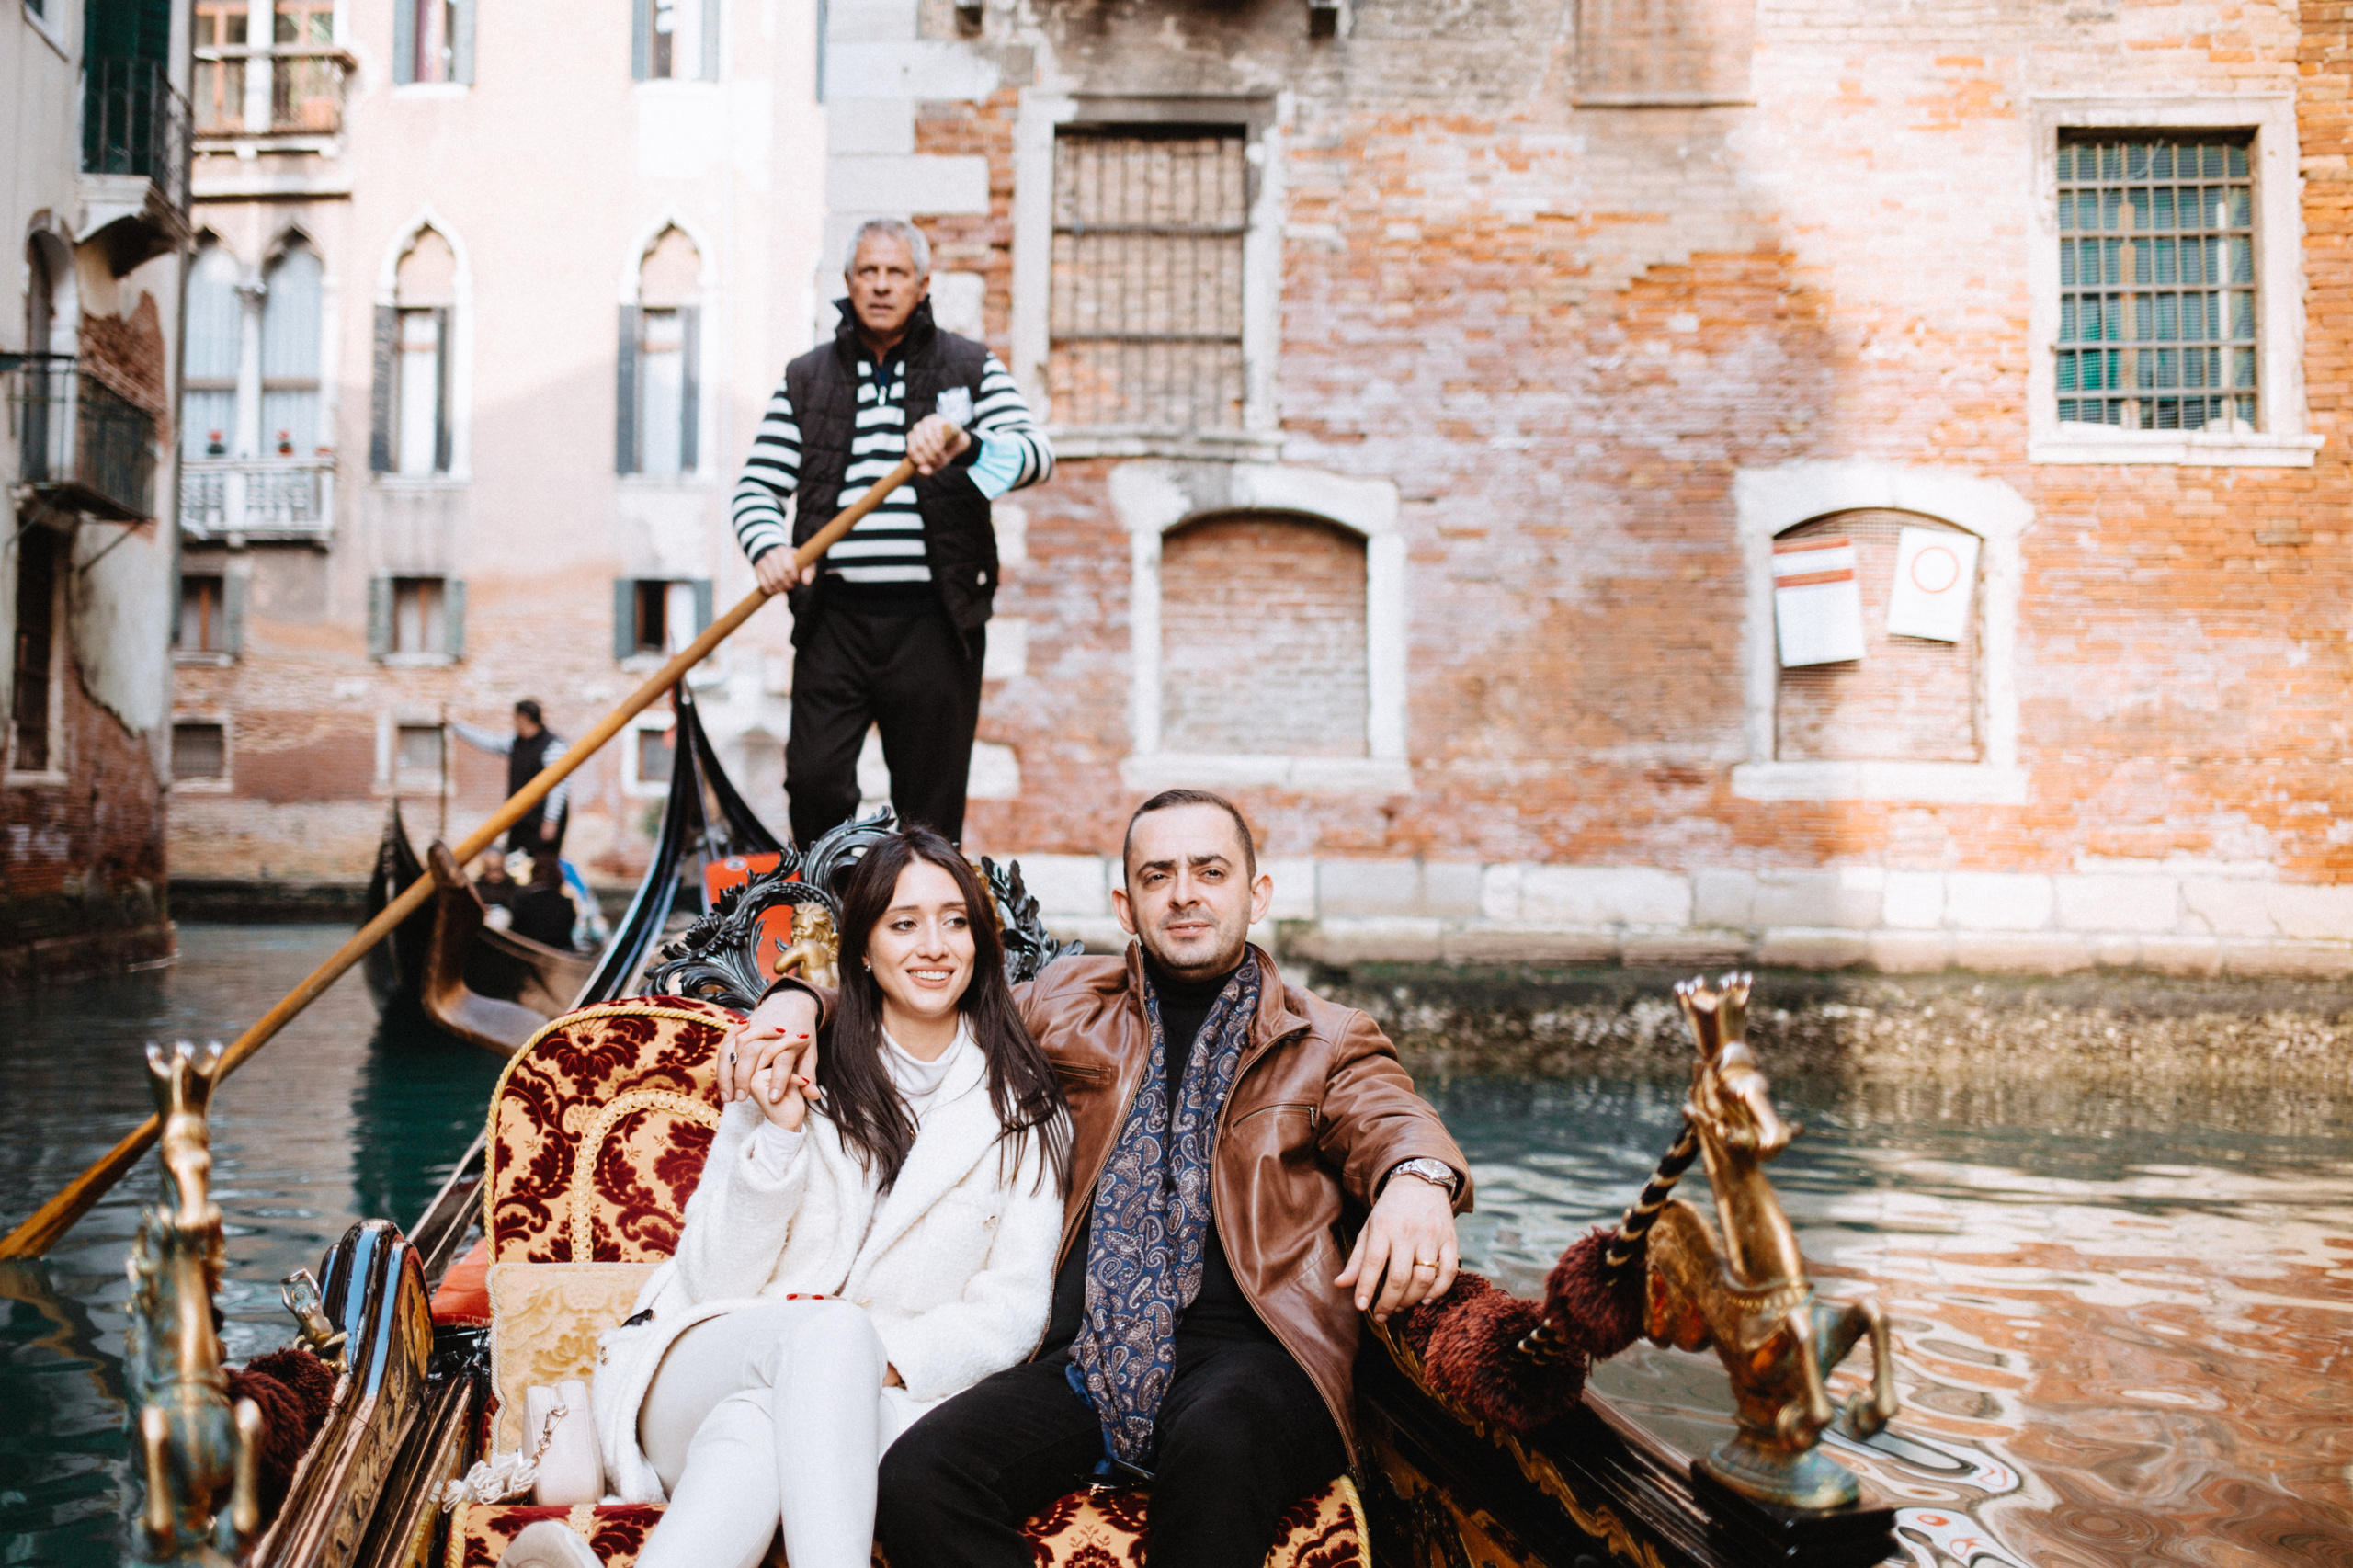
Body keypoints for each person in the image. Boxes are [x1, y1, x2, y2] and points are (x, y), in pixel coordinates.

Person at [739, 790, 1470, 1568]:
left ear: (1256, 895)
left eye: (1209, 871)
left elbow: (1390, 1117)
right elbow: (925, 1007)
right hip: (1087, 1355)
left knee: (1219, 1442)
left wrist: (1418, 1181)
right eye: (1158, 875)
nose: (1184, 892)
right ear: (1127, 905)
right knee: (920, 1477)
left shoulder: (1328, 1037)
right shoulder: (1062, 1001)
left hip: (1260, 1356)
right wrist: (798, 1000)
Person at [574, 827, 1071, 1568]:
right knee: (826, 1337)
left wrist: (863, 1360)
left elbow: (1013, 1310)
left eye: (954, 921)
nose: (933, 945)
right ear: (863, 950)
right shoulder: (788, 1057)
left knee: (762, 1426)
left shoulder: (1023, 1109)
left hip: (879, 1400)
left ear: (980, 943)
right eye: (903, 924)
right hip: (705, 1364)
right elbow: (713, 1280)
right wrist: (776, 1138)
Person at [732, 218, 1052, 848]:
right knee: (816, 783)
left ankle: (918, 932)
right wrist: (769, 547)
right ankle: (833, 923)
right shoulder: (807, 378)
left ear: (922, 283)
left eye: (895, 273)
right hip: (835, 617)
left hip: (936, 618)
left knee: (929, 809)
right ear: (849, 284)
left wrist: (965, 442)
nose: (881, 286)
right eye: (868, 273)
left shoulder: (969, 367)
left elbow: (1036, 456)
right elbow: (756, 488)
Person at [449, 699, 570, 855]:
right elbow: (488, 741)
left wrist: (551, 820)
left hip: (541, 821)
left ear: (522, 718)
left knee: (542, 865)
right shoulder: (515, 742)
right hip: (520, 817)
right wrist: (456, 726)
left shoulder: (554, 747)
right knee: (516, 863)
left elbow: (558, 786)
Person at [505, 853, 577, 951]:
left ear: (533, 874)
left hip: (526, 950)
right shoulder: (566, 904)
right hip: (557, 952)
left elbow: (514, 931)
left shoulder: (523, 901)